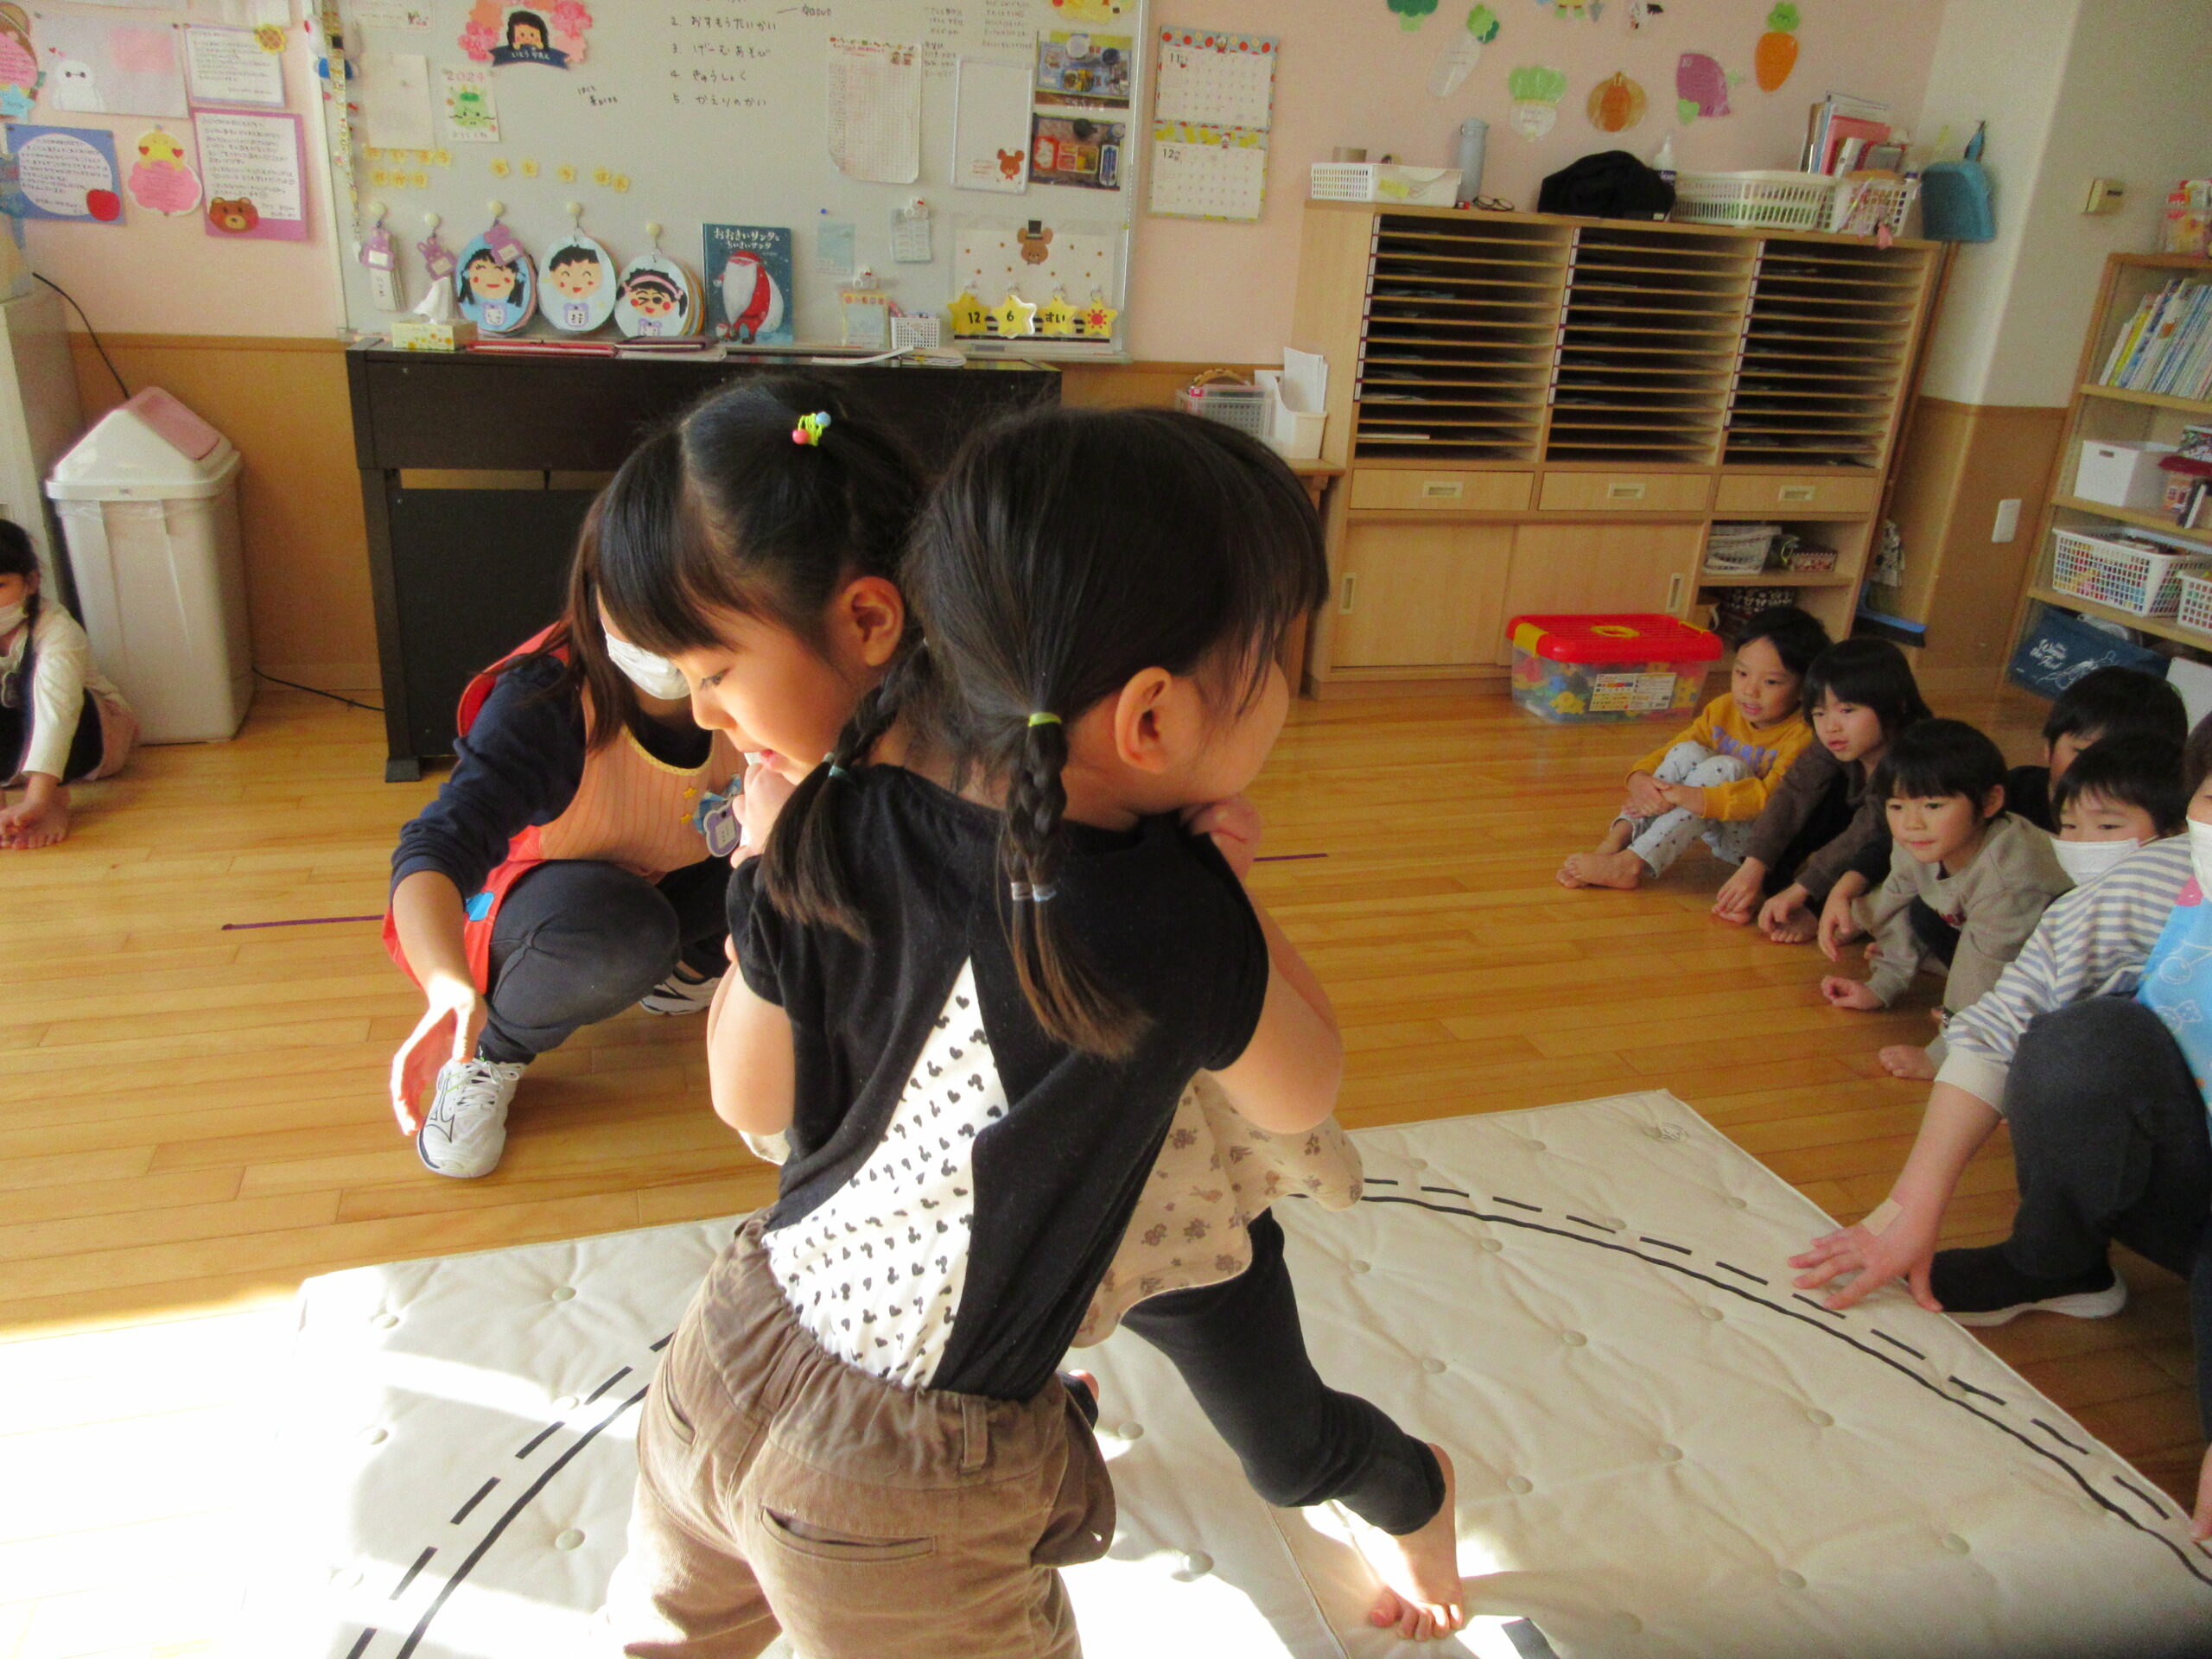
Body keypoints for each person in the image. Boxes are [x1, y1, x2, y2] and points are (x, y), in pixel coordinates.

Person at [595, 402, 1465, 1656]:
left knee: (1286, 1444)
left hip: (1013, 1248)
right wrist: (1222, 901)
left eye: (716, 674)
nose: (709, 717)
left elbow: (748, 1097)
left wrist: (772, 883)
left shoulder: (836, 813)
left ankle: (1408, 1494)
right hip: (917, 1404)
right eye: (1276, 659)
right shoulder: (1129, 898)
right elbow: (1303, 1083)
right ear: (1153, 719)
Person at [1795, 720, 2212, 1545]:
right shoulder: (2162, 880)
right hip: (2186, 1190)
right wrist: (1909, 1209)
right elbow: (1999, 1024)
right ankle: (2057, 1262)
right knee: (2079, 1042)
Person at [384, 514, 742, 1179]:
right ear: (593, 592)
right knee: (622, 928)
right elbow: (434, 848)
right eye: (636, 602)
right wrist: (445, 987)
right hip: (536, 901)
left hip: (671, 861)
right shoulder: (544, 699)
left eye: (686, 606)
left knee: (798, 844)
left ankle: (683, 967)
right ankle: (489, 1051)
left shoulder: (762, 671)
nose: (659, 629)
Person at [1818, 719, 2072, 1080]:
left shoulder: (2008, 880)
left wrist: (1942, 1055)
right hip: (1998, 942)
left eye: (1934, 806)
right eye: (1896, 806)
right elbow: (1893, 900)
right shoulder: (1922, 842)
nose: (1911, 824)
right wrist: (1882, 980)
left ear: (1990, 802)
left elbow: (1981, 975)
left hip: (2065, 977)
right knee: (1920, 910)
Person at [1560, 605, 1827, 891]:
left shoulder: (1804, 734)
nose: (1750, 690)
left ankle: (1631, 864)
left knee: (1726, 768)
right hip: (1715, 825)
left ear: (1805, 689)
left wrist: (1683, 794)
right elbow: (1674, 749)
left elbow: (1768, 800)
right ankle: (1617, 841)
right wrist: (1640, 779)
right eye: (1741, 673)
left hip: (1758, 848)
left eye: (1771, 681)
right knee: (1689, 750)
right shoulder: (1724, 708)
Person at [1713, 637, 1929, 938]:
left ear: (1896, 705)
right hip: (1861, 839)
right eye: (1819, 713)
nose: (1830, 726)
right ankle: (1786, 893)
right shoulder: (1835, 741)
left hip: (1906, 858)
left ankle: (1823, 912)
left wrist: (1802, 890)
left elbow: (1870, 830)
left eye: (1847, 710)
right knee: (1814, 799)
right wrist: (1755, 867)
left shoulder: (1913, 759)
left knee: (1891, 866)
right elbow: (1794, 792)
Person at [0, 520, 135, 850]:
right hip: (20, 755)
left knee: (45, 690)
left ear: (32, 583)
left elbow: (56, 712)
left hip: (95, 740)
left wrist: (38, 801)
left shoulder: (57, 629)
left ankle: (53, 799)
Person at [2002, 664, 2189, 833]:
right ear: (2049, 748)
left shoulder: (2177, 824)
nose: (2094, 770)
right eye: (2082, 752)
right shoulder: (2008, 797)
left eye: (2108, 826)